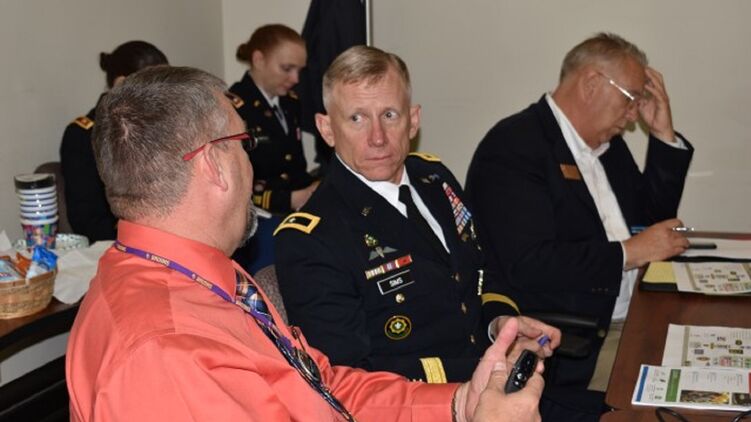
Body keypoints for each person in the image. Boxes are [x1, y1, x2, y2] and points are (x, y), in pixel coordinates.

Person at [65, 65, 544, 422]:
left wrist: (458, 403)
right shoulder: (164, 352)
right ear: (213, 165)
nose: (252, 165)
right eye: (245, 144)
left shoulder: (201, 277)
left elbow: (322, 385)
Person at [274, 45, 560, 385]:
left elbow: (481, 270)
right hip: (427, 400)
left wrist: (501, 327)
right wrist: (487, 367)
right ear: (326, 129)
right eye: (357, 119)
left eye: (389, 115)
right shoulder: (312, 238)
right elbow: (348, 378)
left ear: (413, 120)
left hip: (495, 381)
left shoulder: (434, 179)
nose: (377, 138)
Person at [465, 32, 693, 392]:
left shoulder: (608, 147)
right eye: (631, 98)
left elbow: (652, 225)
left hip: (636, 317)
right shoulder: (514, 148)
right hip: (576, 344)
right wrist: (629, 253)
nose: (634, 114)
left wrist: (663, 134)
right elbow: (528, 263)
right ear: (591, 84)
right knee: (687, 388)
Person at [59, 40, 168, 242]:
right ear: (121, 85)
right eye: (154, 88)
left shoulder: (165, 126)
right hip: (120, 241)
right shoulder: (83, 135)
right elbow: (87, 219)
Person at [230, 24, 318, 214]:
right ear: (259, 60)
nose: (295, 79)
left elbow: (295, 167)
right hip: (258, 215)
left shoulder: (291, 102)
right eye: (287, 68)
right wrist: (290, 199)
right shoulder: (234, 108)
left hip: (296, 211)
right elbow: (233, 185)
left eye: (299, 70)